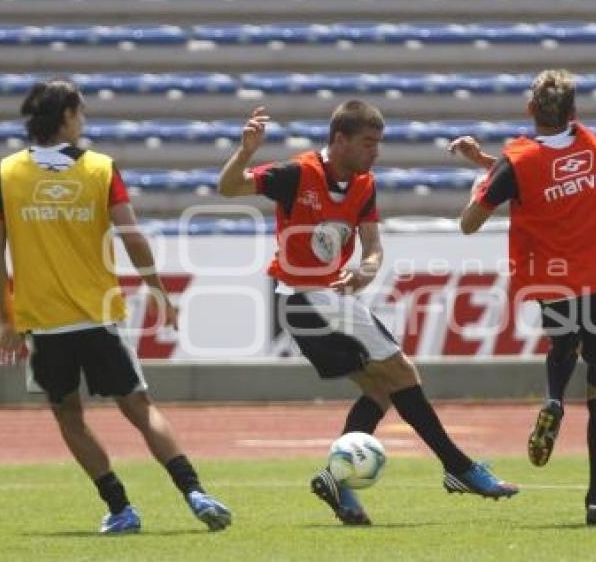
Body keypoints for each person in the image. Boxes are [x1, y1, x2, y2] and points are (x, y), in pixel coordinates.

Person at [217, 100, 518, 526]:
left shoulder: (363, 184)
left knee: (382, 391)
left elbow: (373, 246)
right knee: (402, 372)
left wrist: (367, 270)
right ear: (339, 140)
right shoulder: (297, 174)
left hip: (325, 300)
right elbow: (228, 188)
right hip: (306, 296)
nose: (375, 152)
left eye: (378, 144)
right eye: (367, 143)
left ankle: (339, 482)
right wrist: (246, 151)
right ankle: (459, 468)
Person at [0, 80, 231, 534]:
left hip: (44, 322)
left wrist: (6, 317)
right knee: (139, 406)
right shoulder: (100, 168)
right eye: (80, 112)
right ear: (66, 116)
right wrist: (157, 289)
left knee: (69, 417)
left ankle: (120, 508)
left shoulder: (4, 173)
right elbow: (132, 236)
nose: (84, 119)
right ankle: (194, 490)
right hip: (99, 315)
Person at [450, 69, 596, 525]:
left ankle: (553, 398)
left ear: (531, 109)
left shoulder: (517, 162)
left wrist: (484, 173)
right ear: (575, 112)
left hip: (553, 279)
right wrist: (491, 164)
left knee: (562, 345)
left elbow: (470, 221)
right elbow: (555, 168)